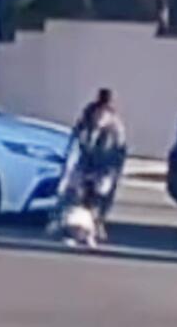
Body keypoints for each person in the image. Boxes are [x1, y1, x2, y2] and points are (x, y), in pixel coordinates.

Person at [51, 88, 128, 247]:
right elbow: (74, 145)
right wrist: (72, 171)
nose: (99, 118)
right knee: (71, 190)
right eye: (98, 114)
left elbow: (116, 158)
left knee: (101, 191)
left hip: (104, 167)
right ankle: (62, 222)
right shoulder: (85, 122)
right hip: (85, 163)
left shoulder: (115, 131)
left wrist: (103, 175)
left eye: (103, 115)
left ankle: (96, 223)